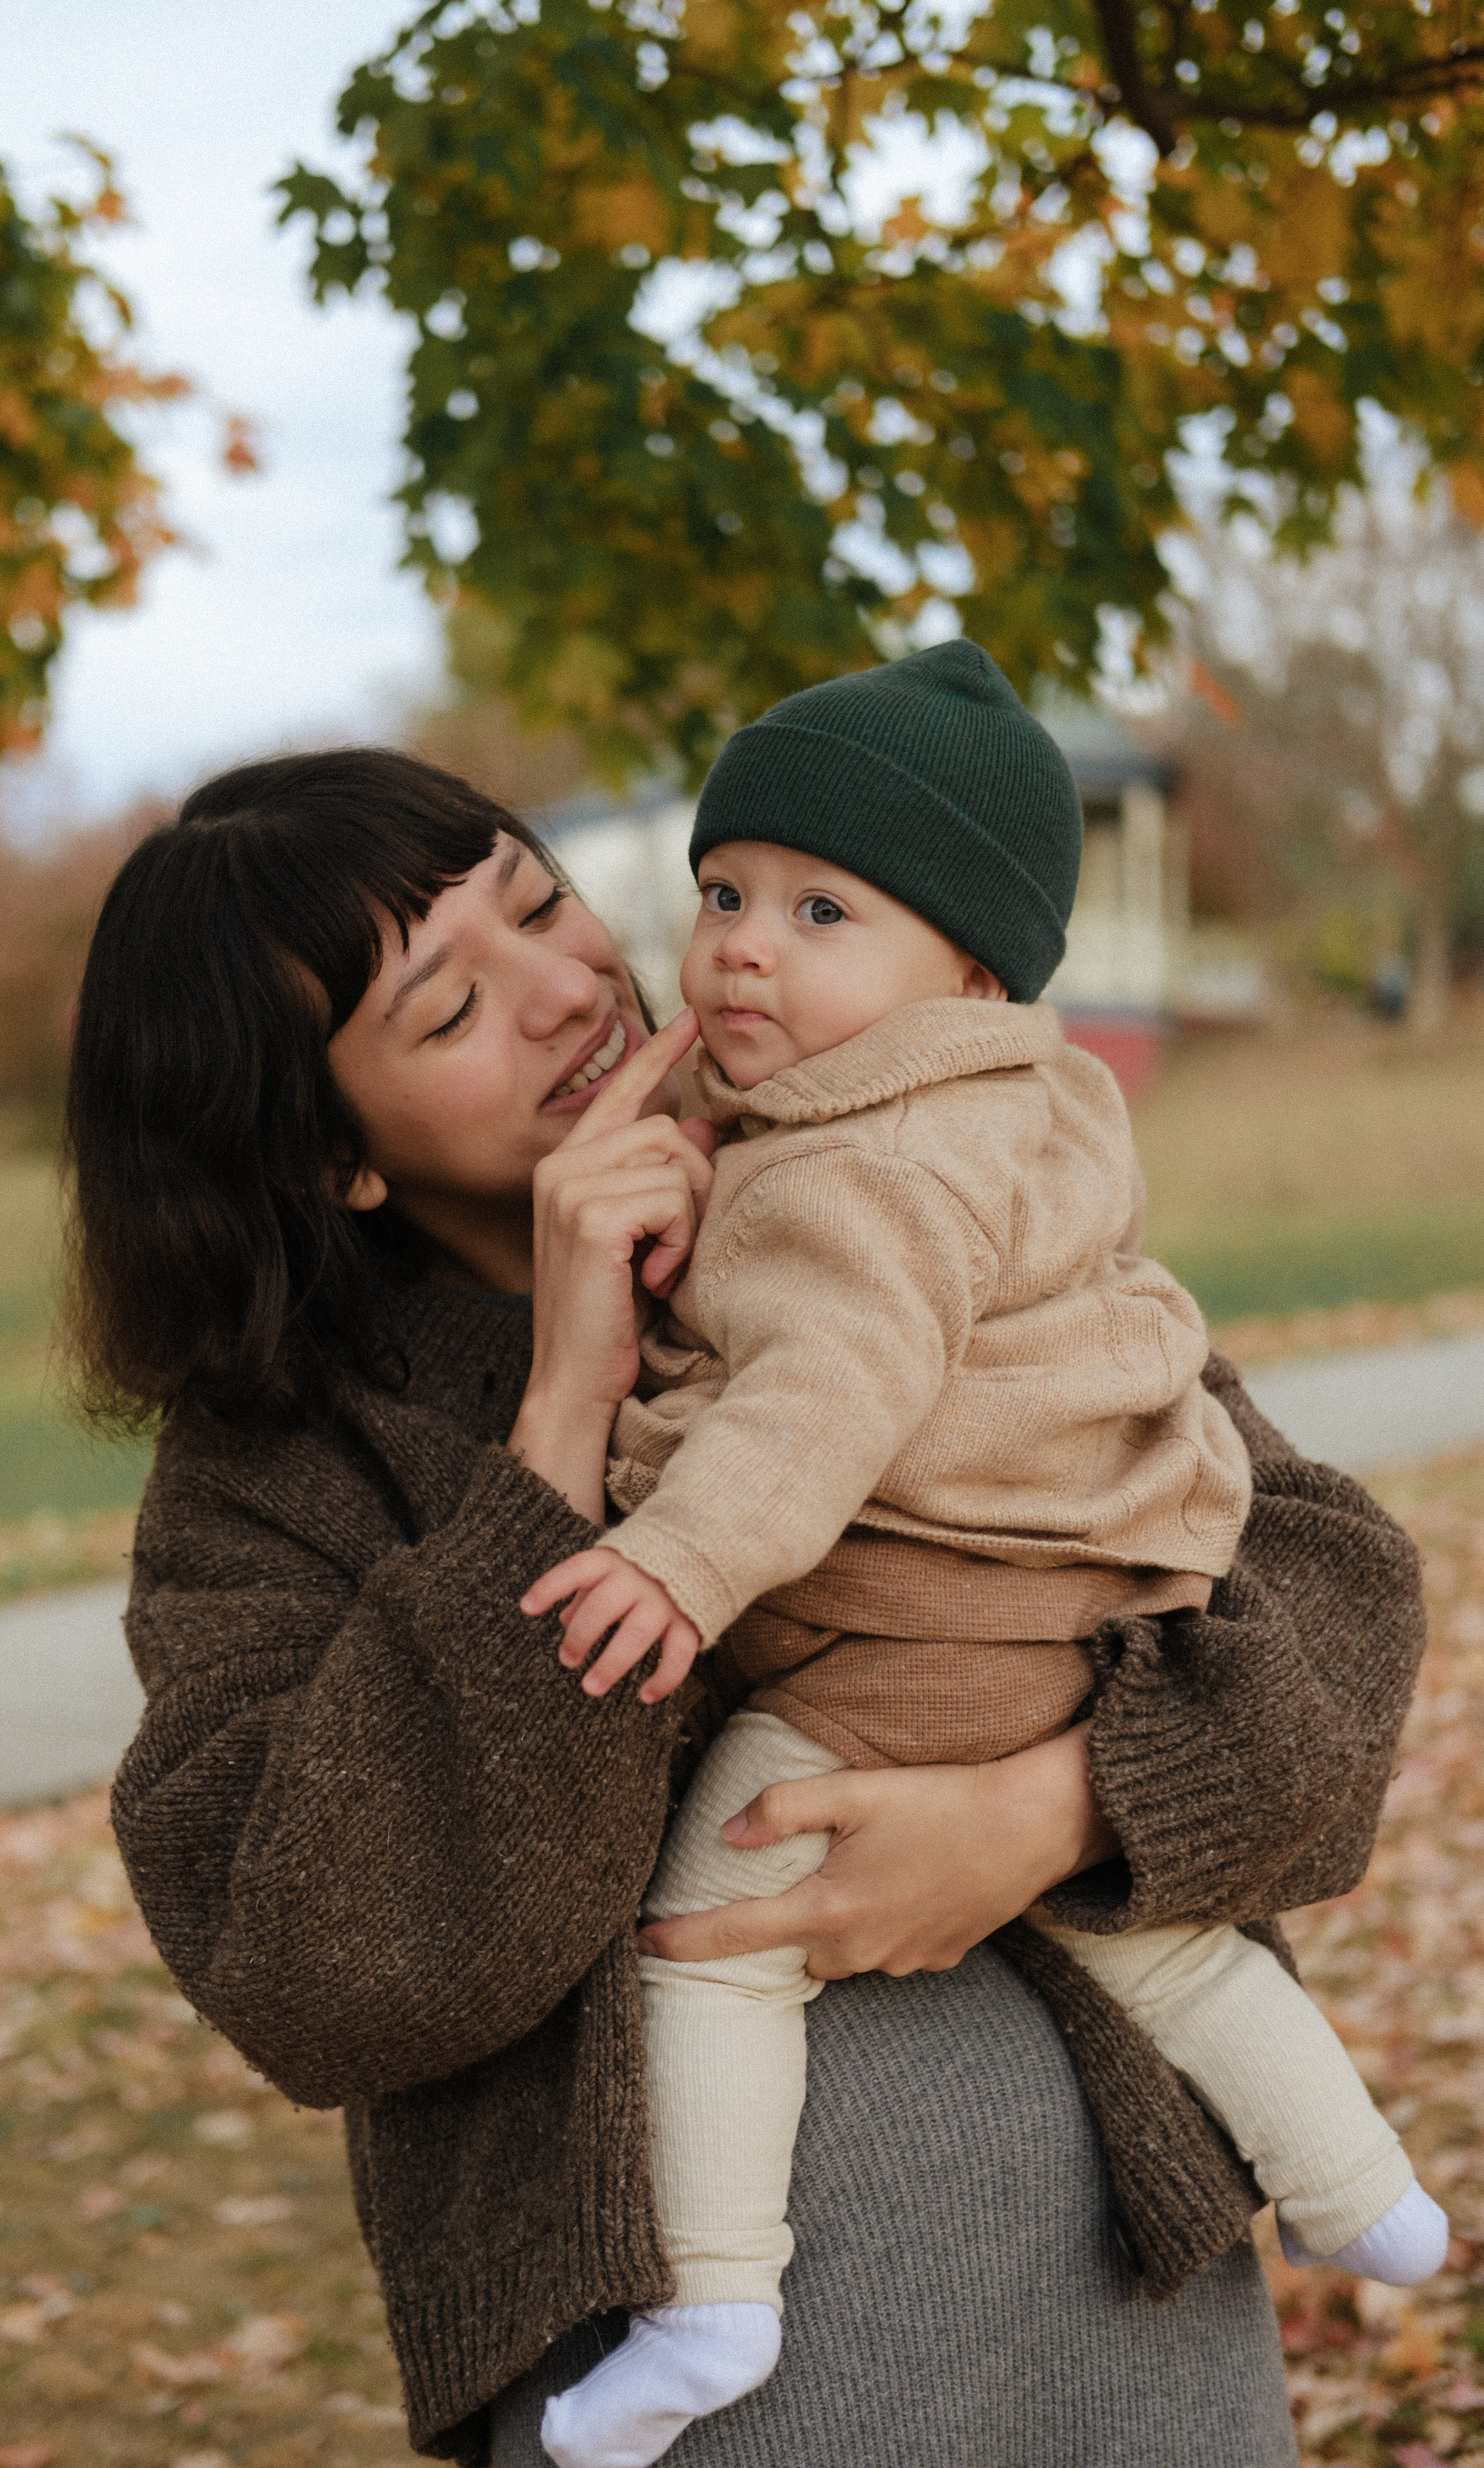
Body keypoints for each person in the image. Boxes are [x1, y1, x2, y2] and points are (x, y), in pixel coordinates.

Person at [64, 745, 1427, 2468]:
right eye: (450, 1007)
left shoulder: (881, 1156)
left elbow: (1332, 1589)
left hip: (1127, 2303)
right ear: (332, 1152)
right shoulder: (277, 1471)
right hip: (713, 2396)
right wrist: (559, 1426)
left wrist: (1053, 1810)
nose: (571, 989)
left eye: (542, 900)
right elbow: (322, 1970)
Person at [518, 648, 1446, 2468]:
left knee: (708, 1940)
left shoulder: (856, 1169)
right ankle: (1366, 2191)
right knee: (1168, 1953)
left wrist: (683, 1563)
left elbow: (823, 1391)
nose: (740, 947)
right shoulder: (1014, 1110)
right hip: (1081, 1619)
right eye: (721, 894)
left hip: (908, 1637)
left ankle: (710, 2297)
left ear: (962, 965)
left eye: (817, 908)